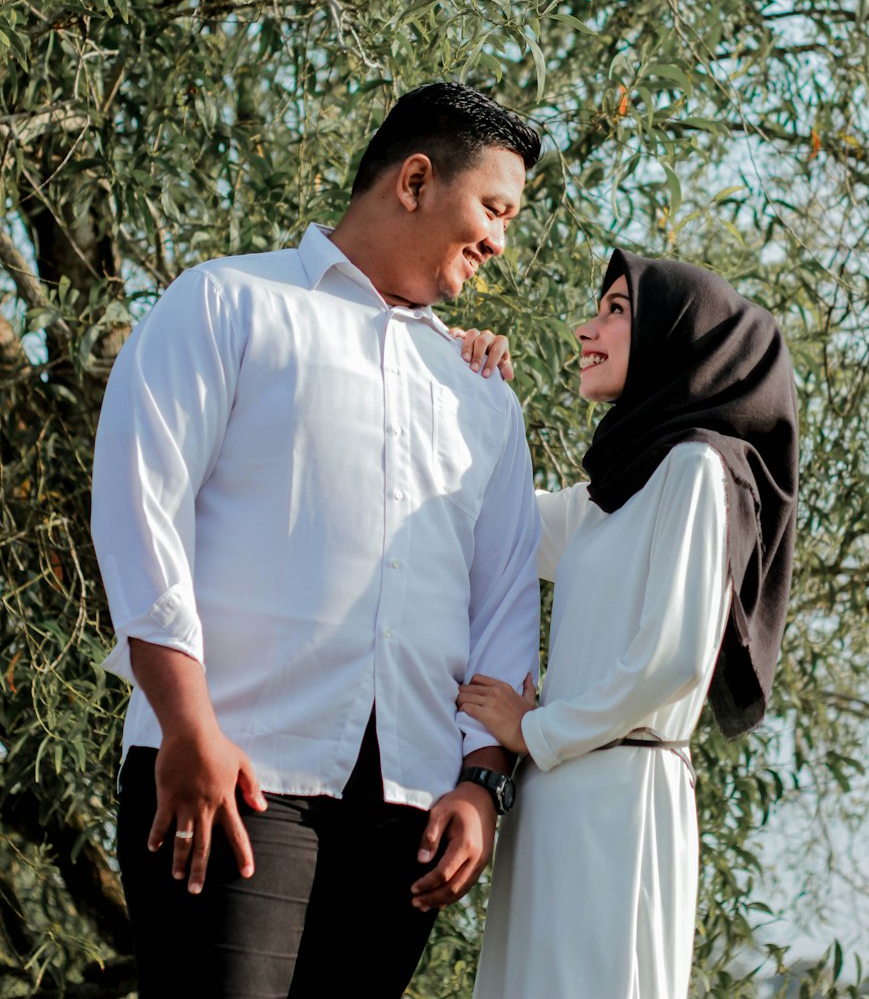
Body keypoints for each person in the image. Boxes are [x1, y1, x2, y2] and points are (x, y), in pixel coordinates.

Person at [90, 82, 543, 999]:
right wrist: (189, 727)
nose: (501, 241)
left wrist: (480, 787)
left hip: (407, 819)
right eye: (493, 208)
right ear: (415, 180)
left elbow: (501, 602)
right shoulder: (227, 303)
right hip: (230, 778)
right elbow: (140, 511)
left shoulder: (484, 396)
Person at [456, 248, 798, 999]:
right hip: (556, 797)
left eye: (617, 310)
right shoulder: (613, 495)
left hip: (622, 799)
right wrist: (465, 382)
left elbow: (673, 659)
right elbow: (492, 518)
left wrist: (532, 731)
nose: (588, 328)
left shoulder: (699, 470)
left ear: (682, 338)